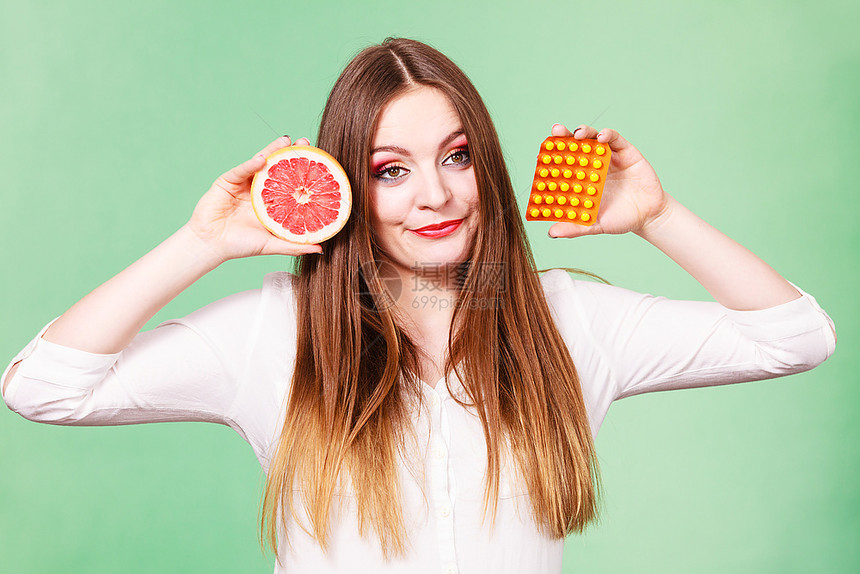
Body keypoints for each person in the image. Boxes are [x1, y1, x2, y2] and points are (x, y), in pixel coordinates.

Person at [1, 37, 836, 574]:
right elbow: (45, 387)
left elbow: (794, 337)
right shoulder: (276, 333)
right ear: (347, 187)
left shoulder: (569, 323)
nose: (434, 195)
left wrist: (658, 217)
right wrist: (203, 244)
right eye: (390, 169)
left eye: (458, 157)